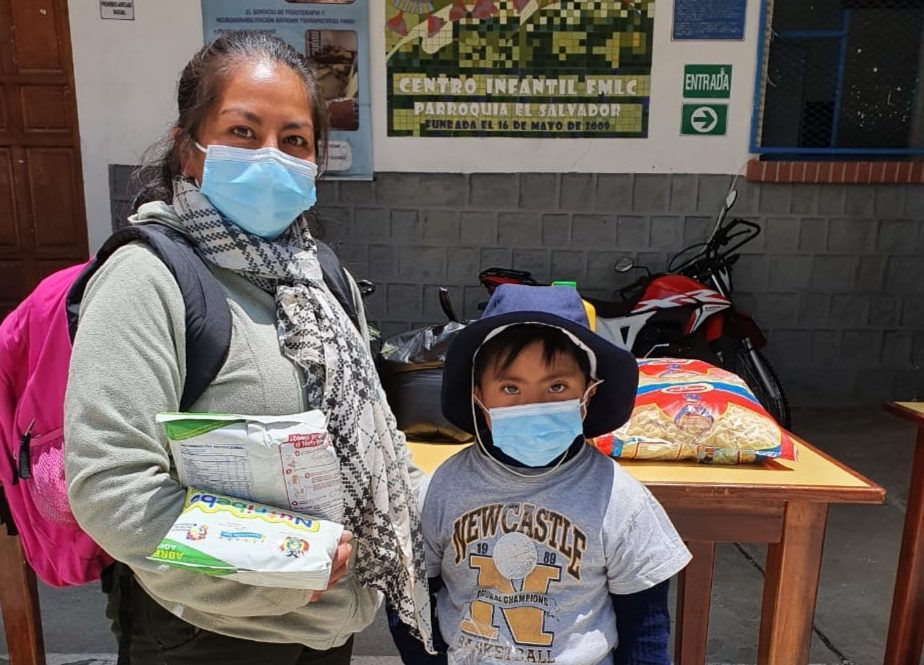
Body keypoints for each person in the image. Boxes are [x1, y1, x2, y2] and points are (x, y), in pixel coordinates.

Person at [64, 31, 430, 664]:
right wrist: (293, 555)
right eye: (242, 131)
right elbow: (113, 487)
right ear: (191, 149)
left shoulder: (323, 278)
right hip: (208, 635)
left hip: (330, 626)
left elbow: (376, 432)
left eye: (294, 140)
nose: (271, 156)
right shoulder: (147, 279)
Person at [415, 284, 691, 664]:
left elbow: (645, 626)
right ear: (478, 395)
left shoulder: (619, 499)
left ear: (588, 393)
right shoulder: (441, 490)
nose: (534, 405)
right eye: (510, 387)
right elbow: (410, 600)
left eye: (557, 386)